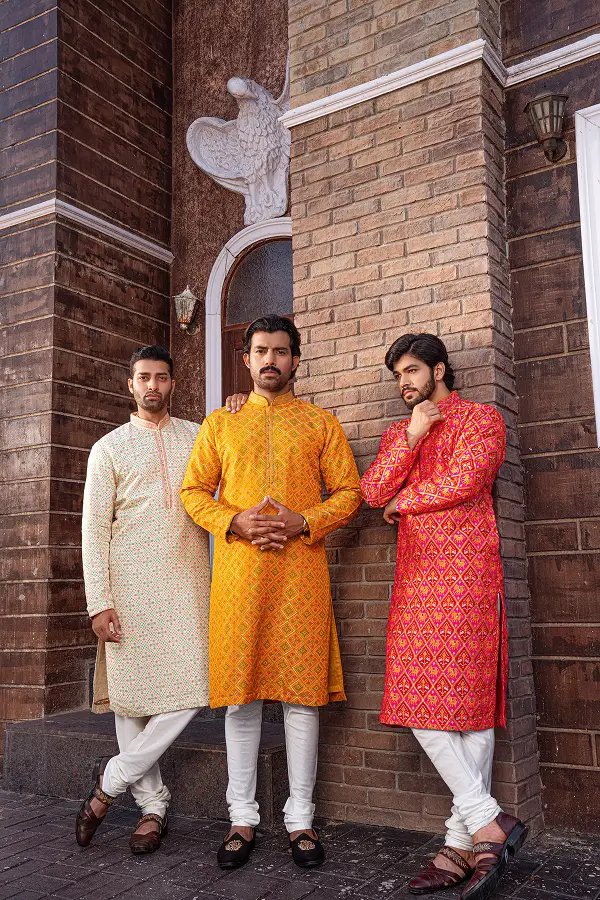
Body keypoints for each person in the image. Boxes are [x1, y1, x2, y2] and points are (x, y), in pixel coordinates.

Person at [180, 314, 362, 869]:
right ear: (246, 359)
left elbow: (349, 492)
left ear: (295, 360)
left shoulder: (319, 423)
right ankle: (242, 818)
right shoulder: (220, 423)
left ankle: (300, 820)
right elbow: (193, 492)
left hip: (300, 576)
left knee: (301, 699)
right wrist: (233, 521)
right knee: (242, 698)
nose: (270, 360)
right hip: (238, 578)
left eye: (280, 352)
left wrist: (303, 521)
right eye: (260, 351)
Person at [360, 334, 527, 900]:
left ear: (439, 369)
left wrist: (403, 502)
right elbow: (371, 490)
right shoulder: (400, 432)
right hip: (417, 578)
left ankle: (459, 845)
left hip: (469, 573)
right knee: (415, 699)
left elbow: (467, 480)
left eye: (412, 371)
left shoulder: (481, 419)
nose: (404, 383)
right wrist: (412, 436)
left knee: (471, 711)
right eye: (398, 376)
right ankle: (488, 822)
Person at [75, 346, 210, 854]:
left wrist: (238, 406)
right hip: (127, 588)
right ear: (130, 384)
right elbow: (93, 532)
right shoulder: (108, 448)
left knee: (196, 686)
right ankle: (152, 808)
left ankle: (109, 782)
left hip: (189, 583)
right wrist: (99, 601)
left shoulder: (197, 436)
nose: (153, 386)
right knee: (130, 699)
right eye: (144, 378)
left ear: (173, 383)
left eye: (162, 378)